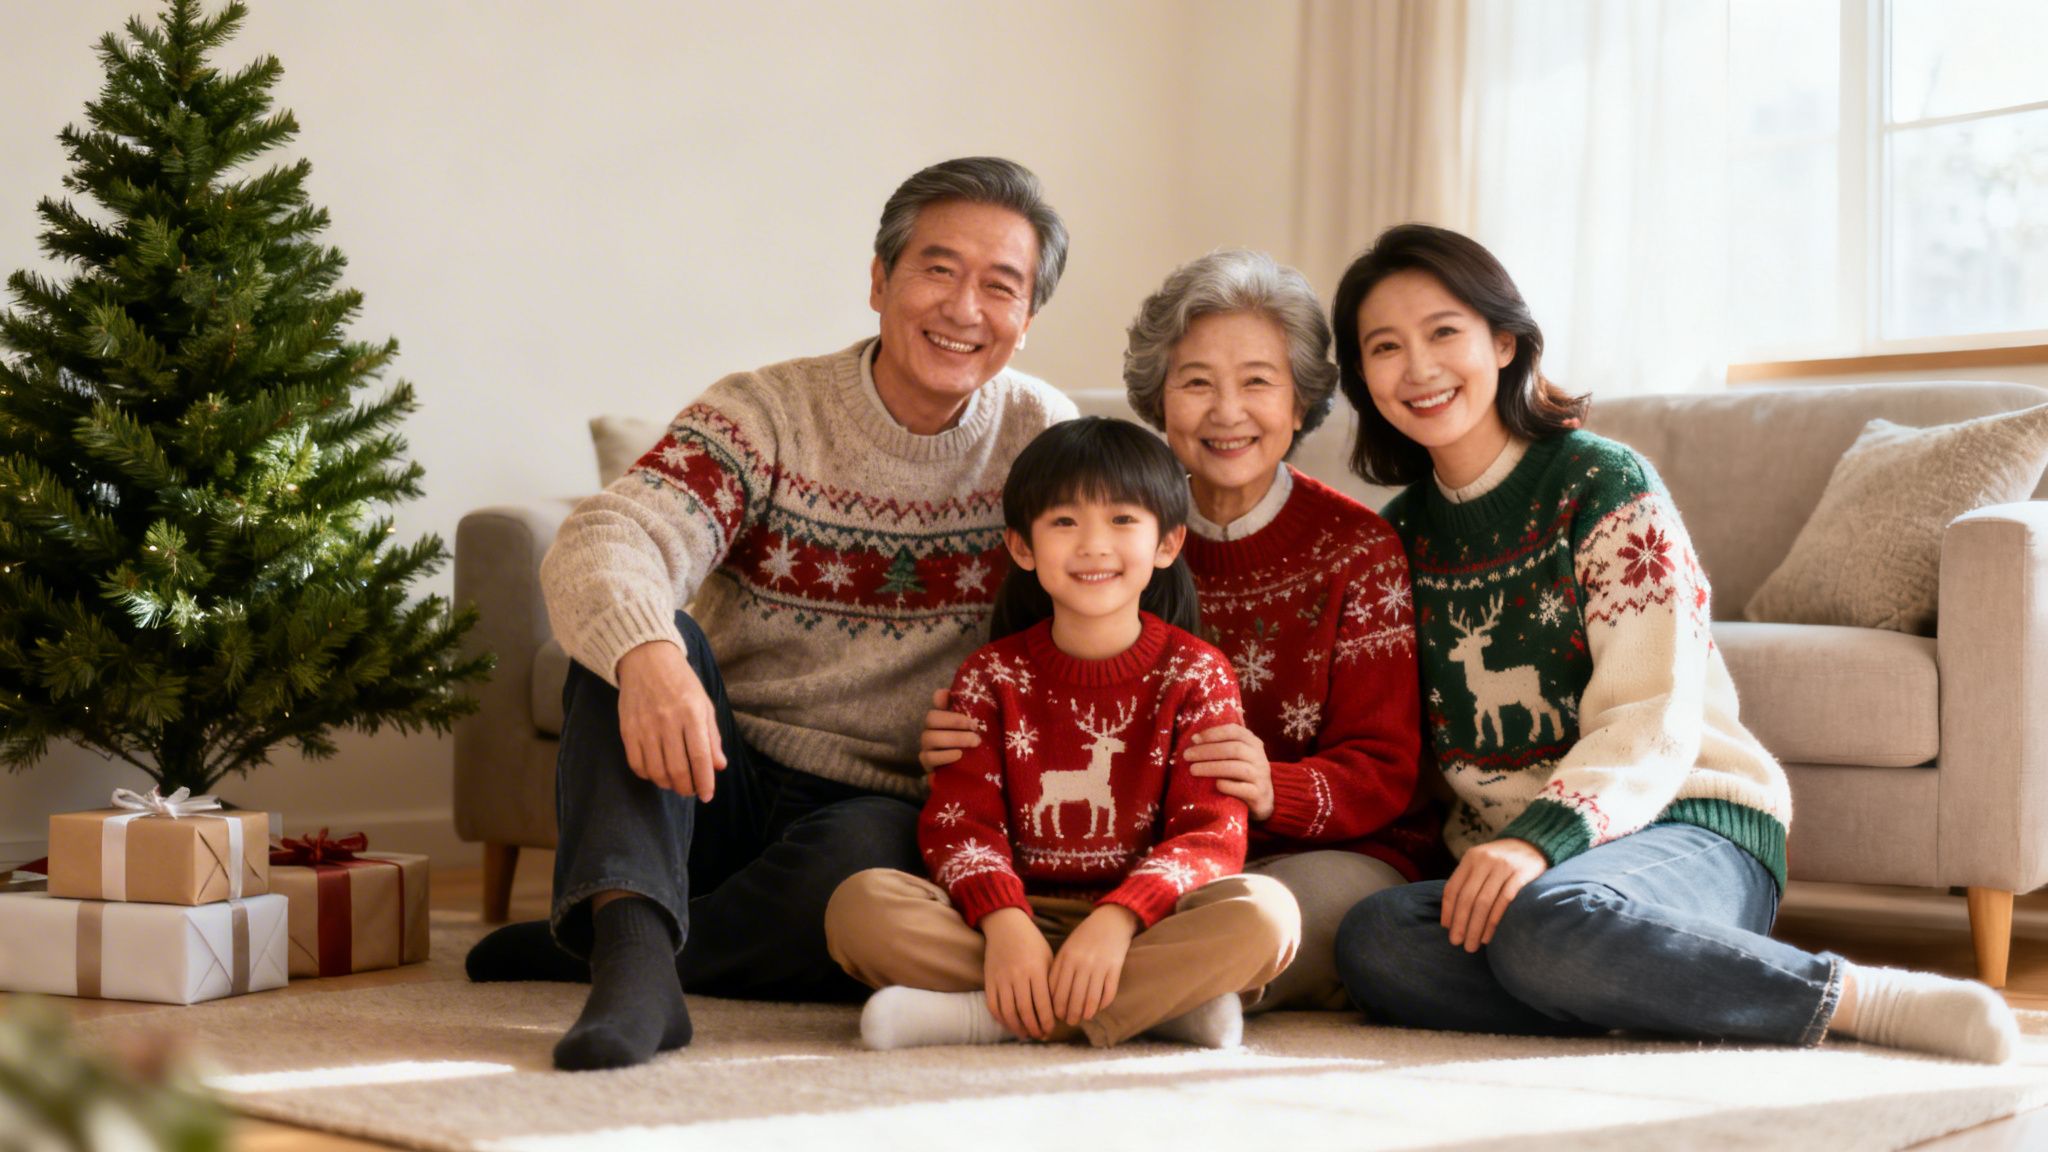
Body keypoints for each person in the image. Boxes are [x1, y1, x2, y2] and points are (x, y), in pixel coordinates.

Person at [1328, 223, 2018, 1064]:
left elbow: (1652, 716)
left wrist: (1536, 841)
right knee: (1376, 941)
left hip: (1684, 823)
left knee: (1550, 928)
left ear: (1503, 342)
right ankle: (1640, 984)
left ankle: (1847, 996)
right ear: (1362, 377)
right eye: (1385, 347)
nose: (1419, 368)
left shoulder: (1601, 482)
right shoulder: (1393, 540)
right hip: (1522, 877)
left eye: (1443, 333)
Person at [464, 157, 1081, 1072]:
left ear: (1026, 320)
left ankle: (609, 941)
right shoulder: (767, 413)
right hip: (713, 768)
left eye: (1001, 286)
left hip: (880, 802)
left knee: (867, 871)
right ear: (879, 280)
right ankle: (632, 966)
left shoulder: (1043, 438)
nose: (964, 308)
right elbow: (606, 539)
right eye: (938, 269)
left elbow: (1088, 625)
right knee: (632, 639)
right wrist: (651, 657)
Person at [921, 250, 1438, 1011]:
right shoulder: (1111, 538)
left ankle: (1006, 1009)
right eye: (1197, 382)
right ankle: (1150, 1001)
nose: (1227, 411)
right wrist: (970, 734)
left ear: (1301, 404)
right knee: (878, 903)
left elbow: (1386, 770)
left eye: (1258, 381)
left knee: (1276, 918)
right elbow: (1036, 672)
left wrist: (1274, 788)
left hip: (1308, 854)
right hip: (1122, 862)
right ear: (1158, 403)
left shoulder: (1358, 549)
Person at [826, 417, 1300, 1050]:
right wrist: (1004, 922)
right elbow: (961, 824)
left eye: (1123, 520)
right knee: (860, 908)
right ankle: (1156, 1010)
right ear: (1023, 547)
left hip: (1148, 924)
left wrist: (1120, 915)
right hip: (1008, 921)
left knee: (1266, 917)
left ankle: (986, 1017)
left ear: (1169, 542)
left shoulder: (1198, 674)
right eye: (1065, 522)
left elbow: (1209, 837)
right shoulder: (991, 676)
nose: (1094, 545)